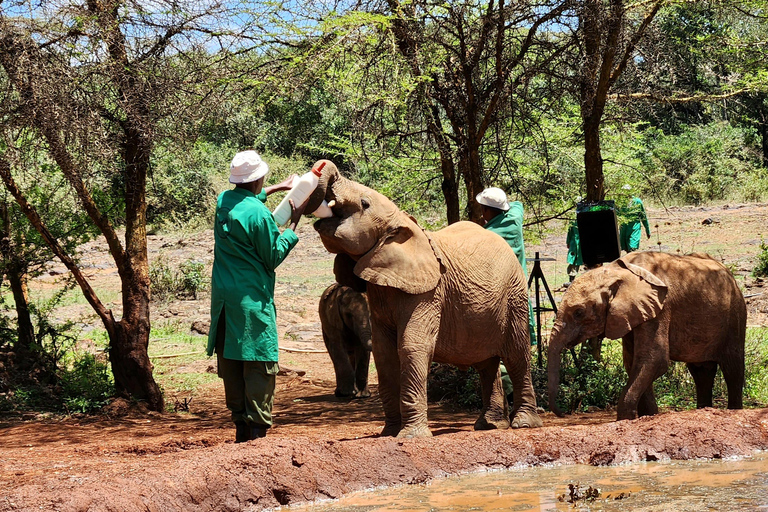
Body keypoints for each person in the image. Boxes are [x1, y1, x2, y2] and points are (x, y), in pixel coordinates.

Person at [207, 150, 308, 443]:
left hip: (225, 300)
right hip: (252, 300)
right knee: (258, 362)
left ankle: (241, 433)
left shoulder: (223, 202)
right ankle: (257, 438)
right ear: (258, 177)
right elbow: (273, 255)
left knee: (232, 361)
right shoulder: (260, 214)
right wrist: (293, 224)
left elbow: (247, 202)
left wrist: (275, 188)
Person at [476, 187, 536, 406]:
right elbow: (518, 205)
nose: (482, 213)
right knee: (519, 347)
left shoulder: (486, 237)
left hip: (496, 300)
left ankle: (510, 395)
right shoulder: (515, 220)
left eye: (484, 209)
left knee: (496, 351)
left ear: (488, 210)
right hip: (521, 296)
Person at [618, 185, 651, 253]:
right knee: (626, 248)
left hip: (634, 228)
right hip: (624, 228)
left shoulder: (637, 201)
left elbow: (643, 216)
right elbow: (617, 215)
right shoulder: (620, 203)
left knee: (632, 247)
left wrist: (647, 230)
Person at [565, 220, 582, 285]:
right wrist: (568, 242)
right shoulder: (572, 221)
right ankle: (571, 280)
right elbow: (570, 232)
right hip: (574, 244)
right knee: (573, 261)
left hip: (582, 244)